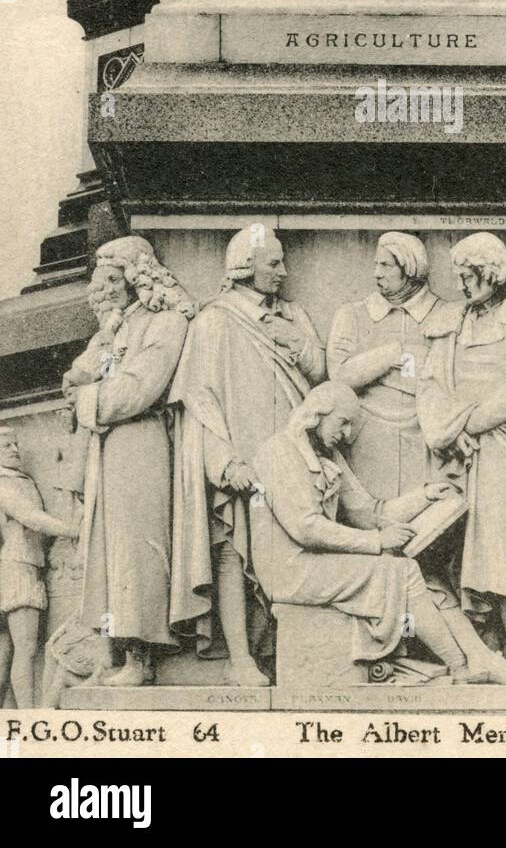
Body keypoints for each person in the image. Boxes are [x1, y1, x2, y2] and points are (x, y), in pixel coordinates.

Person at [169, 225, 324, 686]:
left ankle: (276, 654)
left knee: (289, 552)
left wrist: (291, 339)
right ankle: (239, 659)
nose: (282, 271)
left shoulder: (293, 315)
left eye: (282, 262)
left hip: (291, 461)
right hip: (242, 461)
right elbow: (198, 400)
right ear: (245, 265)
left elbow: (319, 372)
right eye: (273, 263)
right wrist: (224, 462)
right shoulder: (215, 320)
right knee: (234, 552)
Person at [251, 383, 474, 682]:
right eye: (343, 422)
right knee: (402, 571)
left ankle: (458, 664)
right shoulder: (279, 450)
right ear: (319, 412)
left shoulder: (326, 455)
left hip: (313, 563)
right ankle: (460, 666)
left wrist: (425, 496)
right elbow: (306, 527)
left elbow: (368, 512)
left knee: (401, 569)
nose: (345, 434)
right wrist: (377, 542)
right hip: (289, 570)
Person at [417, 233, 506, 685]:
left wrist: (467, 425)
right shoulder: (451, 320)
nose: (461, 285)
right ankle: (475, 650)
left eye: (469, 275)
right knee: (441, 545)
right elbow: (431, 383)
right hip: (452, 449)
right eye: (457, 276)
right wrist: (449, 430)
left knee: (505, 542)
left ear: (493, 271)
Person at [63, 236, 194, 688]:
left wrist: (87, 396)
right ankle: (109, 653)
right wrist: (85, 382)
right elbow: (78, 374)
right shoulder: (116, 327)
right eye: (104, 281)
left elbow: (142, 387)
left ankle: (141, 657)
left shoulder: (166, 321)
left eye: (117, 278)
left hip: (142, 441)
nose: (110, 289)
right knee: (104, 547)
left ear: (139, 276)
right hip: (107, 444)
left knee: (138, 546)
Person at [326, 232, 445, 499]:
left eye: (386, 266)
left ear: (410, 268)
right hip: (367, 445)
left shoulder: (445, 314)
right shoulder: (351, 314)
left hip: (425, 441)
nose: (376, 273)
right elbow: (339, 375)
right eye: (376, 264)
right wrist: (395, 353)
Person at [0, 427, 78, 707]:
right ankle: (29, 716)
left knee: (7, 652)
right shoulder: (4, 483)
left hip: (17, 567)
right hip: (18, 568)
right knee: (26, 649)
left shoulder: (19, 480)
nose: (14, 450)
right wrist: (74, 530)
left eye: (15, 444)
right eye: (6, 445)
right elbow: (32, 518)